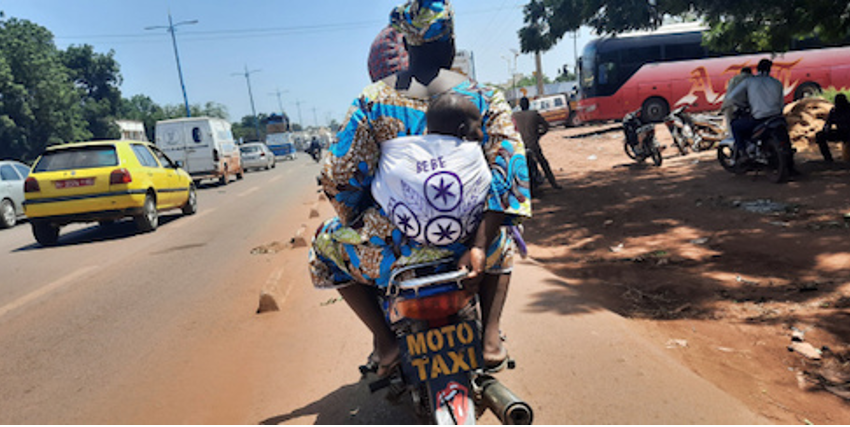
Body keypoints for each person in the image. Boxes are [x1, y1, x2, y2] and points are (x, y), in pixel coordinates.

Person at [309, 0, 531, 378]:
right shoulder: (485, 96)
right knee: (505, 236)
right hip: (472, 247)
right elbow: (509, 176)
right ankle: (491, 337)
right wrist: (478, 242)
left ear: (405, 46)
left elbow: (341, 177)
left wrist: (359, 216)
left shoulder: (372, 101)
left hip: (395, 251)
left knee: (324, 247)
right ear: (451, 42)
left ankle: (387, 342)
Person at [725, 59, 785, 160]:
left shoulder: (749, 81)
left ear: (757, 69)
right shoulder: (777, 82)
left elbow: (731, 97)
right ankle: (790, 166)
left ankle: (743, 153)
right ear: (769, 69)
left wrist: (743, 105)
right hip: (776, 117)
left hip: (759, 119)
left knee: (735, 126)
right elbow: (781, 103)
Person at [513, 96, 561, 192]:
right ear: (528, 105)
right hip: (533, 144)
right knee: (543, 163)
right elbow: (546, 126)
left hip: (519, 146)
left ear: (520, 106)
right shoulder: (534, 114)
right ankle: (554, 183)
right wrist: (538, 135)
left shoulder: (514, 116)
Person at [815, 93, 850, 162]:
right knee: (820, 135)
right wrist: (825, 131)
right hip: (841, 132)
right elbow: (828, 124)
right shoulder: (834, 111)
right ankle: (828, 159)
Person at [722, 67, 752, 135]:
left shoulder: (733, 79)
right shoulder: (751, 78)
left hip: (727, 104)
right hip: (738, 105)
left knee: (731, 130)